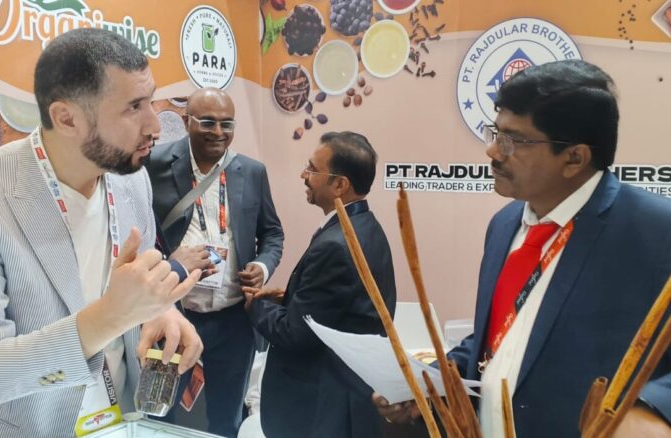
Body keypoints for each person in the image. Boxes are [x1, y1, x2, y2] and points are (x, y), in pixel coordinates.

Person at [374, 60, 671, 437]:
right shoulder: (504, 225)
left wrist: (651, 409)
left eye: (514, 140)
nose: (493, 151)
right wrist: (431, 380)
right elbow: (498, 341)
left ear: (575, 158)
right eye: (496, 133)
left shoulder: (654, 231)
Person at [0, 28, 205, 437]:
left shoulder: (132, 179)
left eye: (151, 100)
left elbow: (137, 280)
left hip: (122, 420)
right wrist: (113, 315)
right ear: (67, 118)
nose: (155, 125)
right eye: (134, 107)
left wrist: (159, 311)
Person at [146, 87, 284, 437]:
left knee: (227, 418)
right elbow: (140, 230)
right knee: (158, 412)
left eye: (227, 124)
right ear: (187, 122)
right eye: (207, 122)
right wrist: (169, 264)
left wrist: (263, 266)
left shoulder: (251, 171)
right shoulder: (154, 163)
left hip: (233, 319)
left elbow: (272, 233)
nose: (218, 132)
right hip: (175, 314)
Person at [246, 131, 397, 438]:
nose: (304, 175)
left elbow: (296, 334)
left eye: (313, 170)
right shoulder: (367, 227)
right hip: (342, 396)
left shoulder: (336, 246)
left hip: (317, 408)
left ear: (340, 185)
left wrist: (256, 305)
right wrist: (289, 300)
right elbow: (334, 311)